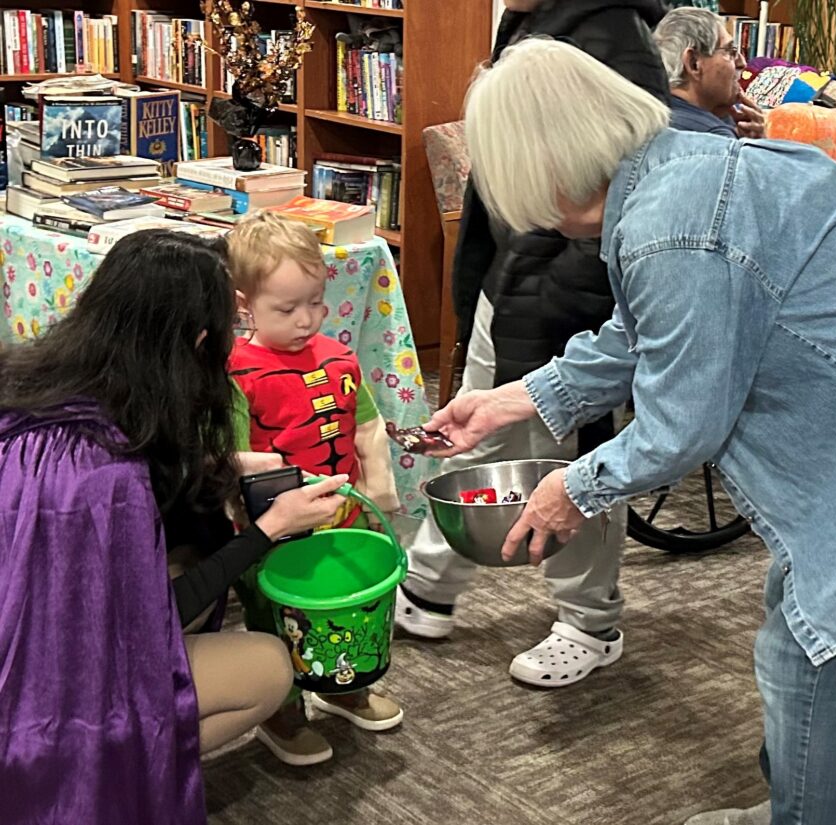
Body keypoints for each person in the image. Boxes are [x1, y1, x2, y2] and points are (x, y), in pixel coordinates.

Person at [428, 38, 836, 825]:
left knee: (815, 663)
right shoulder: (676, 168)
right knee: (804, 623)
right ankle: (793, 804)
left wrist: (573, 487)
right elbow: (649, 335)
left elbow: (681, 427)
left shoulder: (670, 224)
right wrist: (511, 401)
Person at [0, 231, 349, 822]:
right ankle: (124, 770)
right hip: (37, 717)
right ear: (197, 341)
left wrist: (219, 464)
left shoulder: (47, 392)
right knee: (267, 665)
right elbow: (148, 619)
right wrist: (267, 530)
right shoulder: (102, 481)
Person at [395, 0, 670, 688]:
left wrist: (555, 296)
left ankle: (590, 618)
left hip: (558, 293)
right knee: (485, 430)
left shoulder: (613, 39)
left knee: (568, 456)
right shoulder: (533, 28)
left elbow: (616, 205)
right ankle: (428, 582)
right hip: (516, 280)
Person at [227, 211, 403, 766]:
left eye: (316, 303)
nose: (306, 320)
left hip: (341, 518)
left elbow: (368, 427)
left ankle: (341, 685)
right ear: (244, 305)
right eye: (286, 309)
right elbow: (225, 459)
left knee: (341, 605)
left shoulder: (339, 357)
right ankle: (281, 710)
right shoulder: (236, 372)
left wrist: (380, 495)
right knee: (276, 619)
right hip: (271, 530)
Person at [653, 6, 765, 138]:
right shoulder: (716, 138)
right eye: (730, 52)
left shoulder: (645, 118)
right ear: (693, 63)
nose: (742, 63)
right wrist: (757, 147)